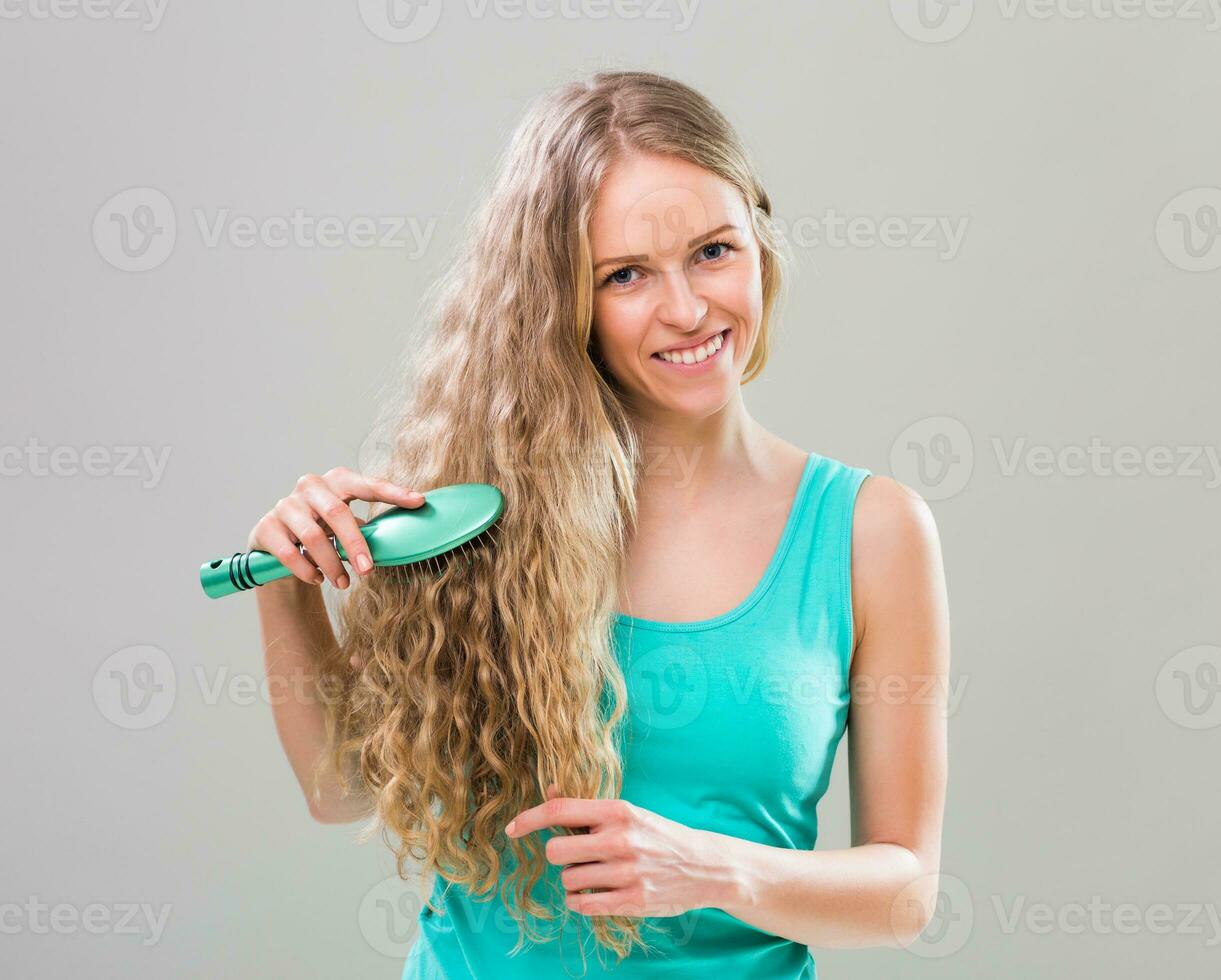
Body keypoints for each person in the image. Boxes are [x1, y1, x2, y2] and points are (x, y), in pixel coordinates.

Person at [246, 69, 950, 978]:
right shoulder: (464, 513)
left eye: (713, 251)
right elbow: (340, 791)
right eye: (627, 275)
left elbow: (905, 894)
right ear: (561, 303)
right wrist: (286, 589)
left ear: (761, 245)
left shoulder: (871, 532)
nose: (690, 309)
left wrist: (715, 869)